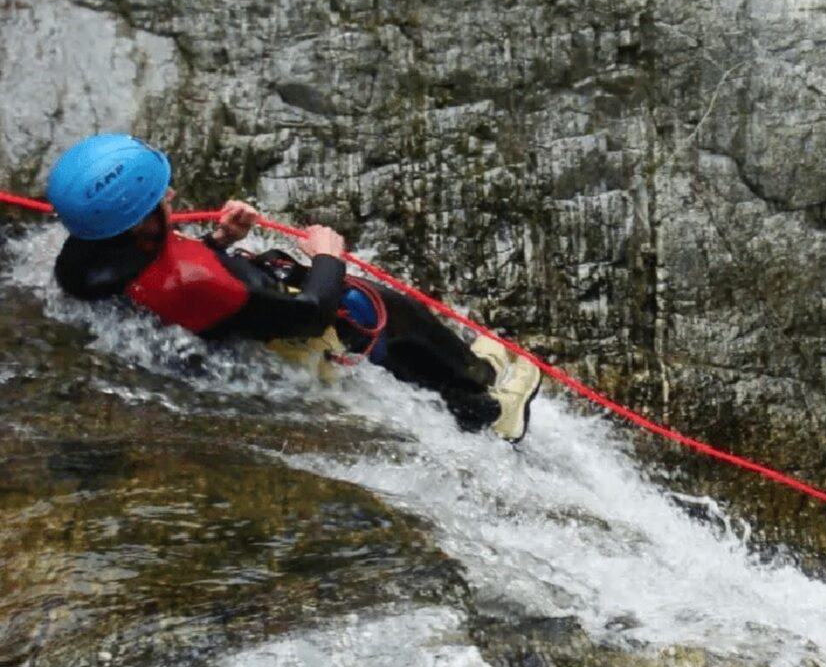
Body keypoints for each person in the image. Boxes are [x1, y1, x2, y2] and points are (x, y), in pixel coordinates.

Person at [47, 133, 541, 441]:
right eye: (159, 196)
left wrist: (219, 241)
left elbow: (164, 279)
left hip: (231, 317)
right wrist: (328, 255)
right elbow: (311, 311)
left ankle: (470, 387)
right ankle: (491, 402)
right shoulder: (199, 281)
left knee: (379, 325)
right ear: (138, 224)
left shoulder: (84, 260)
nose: (171, 194)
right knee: (377, 312)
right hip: (290, 333)